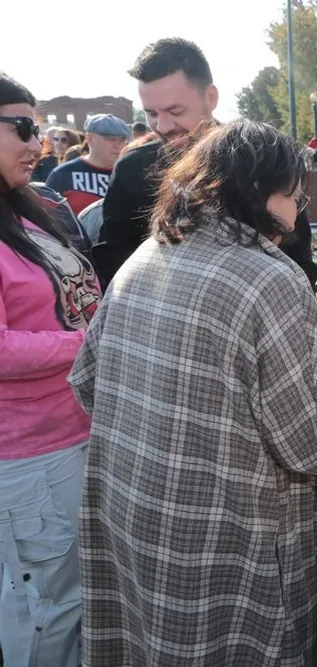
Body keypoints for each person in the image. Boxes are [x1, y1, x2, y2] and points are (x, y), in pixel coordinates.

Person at [68, 119, 317, 666]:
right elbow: (316, 447)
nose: (297, 215)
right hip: (220, 546)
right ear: (257, 190)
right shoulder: (270, 279)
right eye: (294, 197)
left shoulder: (145, 257)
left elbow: (88, 385)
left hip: (132, 522)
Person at [0, 72, 102, 667]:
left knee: (71, 596)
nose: (36, 143)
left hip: (69, 436)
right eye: (21, 128)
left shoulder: (24, 210)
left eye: (35, 128)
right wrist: (88, 343)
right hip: (30, 458)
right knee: (47, 608)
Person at [94, 37, 315, 287]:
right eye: (152, 114)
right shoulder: (132, 170)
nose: (162, 126)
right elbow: (114, 262)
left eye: (176, 111)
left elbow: (300, 262)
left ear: (210, 97)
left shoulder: (262, 161)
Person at [45, 113, 130, 215]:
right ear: (90, 139)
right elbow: (47, 216)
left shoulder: (130, 174)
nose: (119, 146)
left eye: (122, 140)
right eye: (111, 139)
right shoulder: (63, 173)